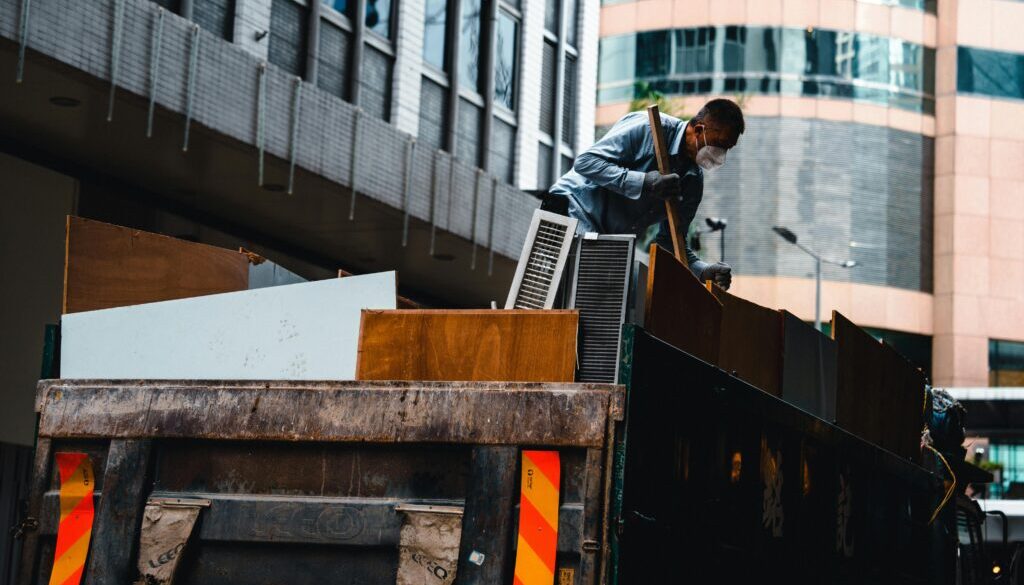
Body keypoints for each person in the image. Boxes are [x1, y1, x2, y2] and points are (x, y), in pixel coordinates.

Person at [547, 98, 745, 290]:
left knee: (611, 302)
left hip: (611, 239)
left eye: (726, 149)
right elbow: (586, 163)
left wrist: (703, 271)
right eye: (718, 145)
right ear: (699, 130)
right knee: (580, 288)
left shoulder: (692, 181)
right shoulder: (648, 128)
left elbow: (670, 243)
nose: (720, 155)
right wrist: (645, 183)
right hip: (573, 208)